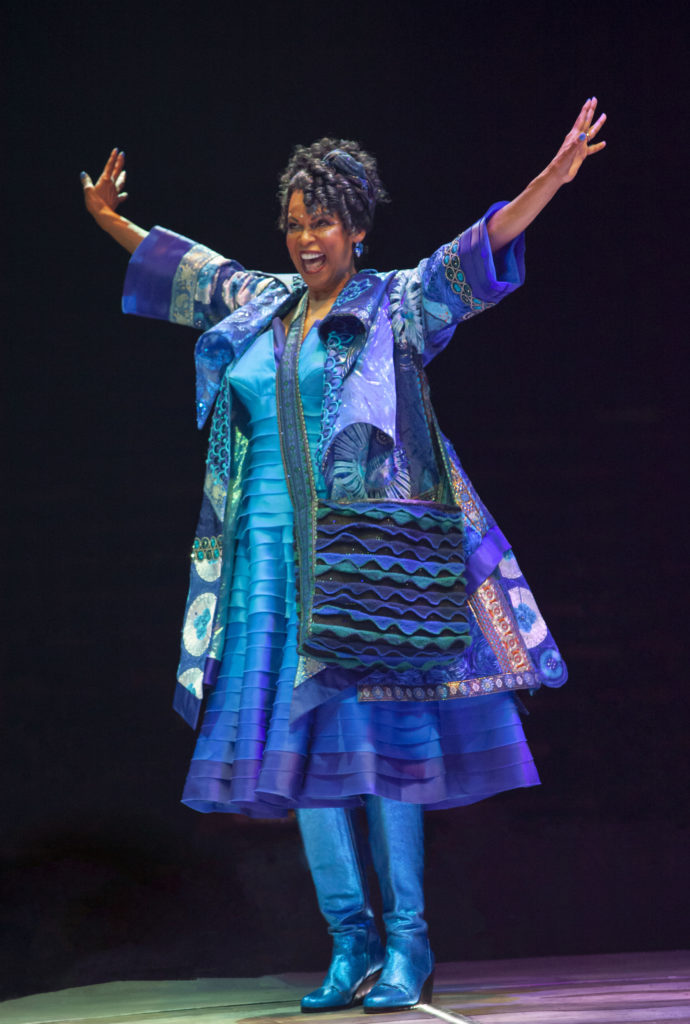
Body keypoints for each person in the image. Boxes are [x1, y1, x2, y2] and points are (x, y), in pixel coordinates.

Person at [80, 98, 606, 1013]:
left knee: (383, 756)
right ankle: (349, 941)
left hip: (363, 572)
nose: (305, 238)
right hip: (266, 574)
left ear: (357, 227)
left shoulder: (393, 303)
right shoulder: (264, 305)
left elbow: (471, 257)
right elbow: (195, 270)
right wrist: (110, 220)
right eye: (293, 223)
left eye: (322, 220)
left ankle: (407, 945)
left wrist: (552, 180)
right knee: (303, 761)